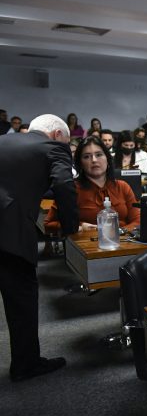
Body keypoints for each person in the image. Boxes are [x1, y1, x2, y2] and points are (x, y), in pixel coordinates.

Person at [0, 114, 78, 381]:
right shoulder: (54, 147)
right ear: (57, 135)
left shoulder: (5, 142)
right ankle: (26, 364)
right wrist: (71, 227)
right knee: (20, 300)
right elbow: (64, 184)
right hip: (9, 235)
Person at [45, 135, 140, 232]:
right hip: (85, 244)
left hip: (123, 242)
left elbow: (137, 220)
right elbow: (49, 224)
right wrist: (79, 228)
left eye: (99, 155)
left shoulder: (122, 186)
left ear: (107, 159)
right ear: (80, 163)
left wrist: (119, 233)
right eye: (87, 157)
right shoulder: (71, 190)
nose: (94, 160)